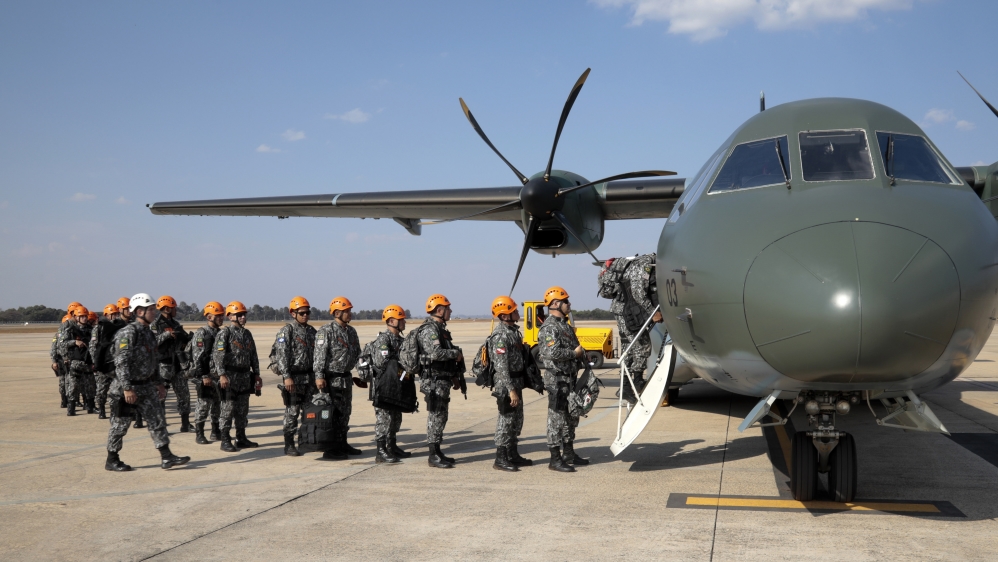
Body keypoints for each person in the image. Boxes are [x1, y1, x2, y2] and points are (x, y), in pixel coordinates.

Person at [105, 293, 190, 472]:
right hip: (126, 388)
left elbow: (154, 360)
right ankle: (112, 458)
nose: (154, 312)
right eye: (151, 309)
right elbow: (121, 362)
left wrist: (158, 383)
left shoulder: (149, 333)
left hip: (146, 386)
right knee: (121, 424)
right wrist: (127, 388)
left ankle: (167, 457)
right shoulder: (128, 333)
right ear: (139, 311)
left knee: (157, 420)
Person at [537, 286, 587, 472]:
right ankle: (555, 459)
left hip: (569, 379)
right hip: (557, 380)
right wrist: (574, 354)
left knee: (570, 418)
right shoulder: (550, 327)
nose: (569, 304)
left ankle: (569, 453)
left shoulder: (564, 325)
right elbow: (550, 352)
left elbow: (574, 346)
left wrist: (582, 355)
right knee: (556, 419)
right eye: (566, 301)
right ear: (556, 303)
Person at [605, 254, 663, 403]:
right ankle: (636, 382)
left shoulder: (643, 263)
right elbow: (638, 293)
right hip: (626, 310)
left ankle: (626, 387)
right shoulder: (645, 264)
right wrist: (653, 312)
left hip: (625, 308)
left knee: (629, 349)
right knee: (641, 345)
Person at [416, 294, 464, 469]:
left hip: (442, 379)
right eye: (448, 308)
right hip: (433, 380)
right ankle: (432, 455)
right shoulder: (430, 330)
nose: (450, 311)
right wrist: (455, 354)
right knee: (435, 416)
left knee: (441, 416)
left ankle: (437, 451)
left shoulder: (441, 329)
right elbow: (436, 354)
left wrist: (453, 377)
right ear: (439, 310)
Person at [486, 296, 533, 472]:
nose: (517, 312)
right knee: (505, 421)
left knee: (516, 420)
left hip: (516, 383)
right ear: (505, 316)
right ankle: (500, 458)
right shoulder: (500, 336)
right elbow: (501, 366)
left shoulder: (513, 332)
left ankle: (513, 454)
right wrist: (511, 390)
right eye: (514, 310)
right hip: (506, 385)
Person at [313, 296, 362, 460]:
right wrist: (319, 376)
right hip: (330, 379)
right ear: (337, 313)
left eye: (349, 310)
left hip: (346, 379)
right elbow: (319, 356)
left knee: (345, 413)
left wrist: (361, 373)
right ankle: (330, 448)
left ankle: (342, 443)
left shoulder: (351, 332)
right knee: (331, 414)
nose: (350, 314)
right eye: (347, 311)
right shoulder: (326, 331)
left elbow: (357, 355)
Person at [213, 301, 262, 452]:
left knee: (243, 409)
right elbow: (218, 355)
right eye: (239, 315)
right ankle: (225, 439)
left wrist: (257, 374)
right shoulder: (225, 333)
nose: (242, 317)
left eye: (244, 314)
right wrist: (221, 375)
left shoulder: (247, 334)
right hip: (230, 376)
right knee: (227, 408)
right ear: (230, 317)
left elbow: (253, 355)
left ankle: (241, 437)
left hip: (245, 376)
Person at [274, 296, 317, 457]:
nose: (306, 315)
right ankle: (289, 443)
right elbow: (282, 355)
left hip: (309, 379)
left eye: (307, 312)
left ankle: (305, 440)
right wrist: (287, 377)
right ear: (293, 314)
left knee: (309, 412)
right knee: (292, 412)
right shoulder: (287, 331)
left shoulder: (312, 332)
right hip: (294, 378)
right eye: (302, 313)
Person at [367, 304, 410, 464]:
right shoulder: (383, 339)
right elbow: (382, 362)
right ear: (392, 321)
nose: (404, 322)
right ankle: (380, 451)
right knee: (384, 419)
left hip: (396, 386)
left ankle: (392, 446)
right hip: (384, 387)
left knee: (395, 418)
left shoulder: (401, 340)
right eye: (401, 319)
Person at [151, 295, 192, 432]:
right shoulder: (155, 324)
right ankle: (161, 425)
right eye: (174, 308)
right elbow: (152, 343)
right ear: (167, 309)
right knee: (161, 396)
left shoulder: (175, 324)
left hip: (178, 364)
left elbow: (184, 340)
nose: (176, 310)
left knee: (184, 394)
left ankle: (185, 423)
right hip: (163, 365)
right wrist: (167, 335)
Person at [189, 302, 225, 445]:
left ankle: (215, 431)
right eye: (218, 316)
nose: (221, 318)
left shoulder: (220, 333)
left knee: (217, 403)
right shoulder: (201, 333)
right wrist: (204, 376)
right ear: (209, 316)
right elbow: (198, 357)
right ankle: (200, 432)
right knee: (203, 404)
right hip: (205, 376)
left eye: (222, 315)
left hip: (217, 375)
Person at [90, 304, 127, 419]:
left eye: (116, 314)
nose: (115, 316)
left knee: (116, 390)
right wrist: (95, 362)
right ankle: (101, 409)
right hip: (102, 362)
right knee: (102, 388)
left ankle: (114, 411)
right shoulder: (99, 328)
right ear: (106, 315)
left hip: (114, 362)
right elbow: (93, 346)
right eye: (112, 314)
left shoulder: (120, 327)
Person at [57, 305, 95, 416]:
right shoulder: (70, 330)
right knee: (73, 386)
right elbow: (61, 344)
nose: (84, 318)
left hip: (87, 361)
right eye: (81, 316)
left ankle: (90, 407)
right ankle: (71, 407)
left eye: (85, 316)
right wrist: (74, 342)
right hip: (75, 361)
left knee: (90, 385)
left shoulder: (91, 329)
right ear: (76, 317)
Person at [115, 296, 145, 428]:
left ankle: (138, 419)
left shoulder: (136, 325)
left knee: (138, 394)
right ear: (120, 309)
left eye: (130, 308)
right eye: (126, 308)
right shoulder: (115, 325)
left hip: (136, 366)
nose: (128, 310)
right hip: (121, 366)